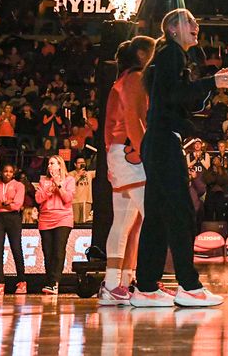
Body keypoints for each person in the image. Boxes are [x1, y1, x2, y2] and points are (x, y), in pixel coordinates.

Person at [131, 9, 228, 309]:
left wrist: (206, 88)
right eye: (190, 22)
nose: (196, 26)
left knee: (157, 218)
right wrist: (209, 83)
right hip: (163, 142)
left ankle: (147, 287)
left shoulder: (166, 55)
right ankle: (189, 286)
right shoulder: (172, 54)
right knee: (180, 214)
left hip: (158, 140)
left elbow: (174, 98)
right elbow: (177, 95)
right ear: (173, 28)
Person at [99, 36, 155, 306]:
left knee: (123, 224)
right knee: (153, 216)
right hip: (130, 151)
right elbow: (134, 120)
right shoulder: (135, 79)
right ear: (143, 55)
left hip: (117, 152)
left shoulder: (120, 81)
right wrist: (147, 153)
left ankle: (116, 284)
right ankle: (147, 285)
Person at [35, 155, 75, 295]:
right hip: (45, 219)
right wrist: (49, 189)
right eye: (48, 163)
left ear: (60, 165)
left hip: (63, 218)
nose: (49, 166)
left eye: (52, 163)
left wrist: (58, 185)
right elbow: (38, 199)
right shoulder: (43, 180)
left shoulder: (69, 180)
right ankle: (49, 281)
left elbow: (68, 199)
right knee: (48, 252)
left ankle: (54, 282)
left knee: (58, 250)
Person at [0, 163, 26, 295]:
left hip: (13, 219)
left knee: (16, 249)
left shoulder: (19, 186)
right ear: (2, 172)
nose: (7, 173)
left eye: (10, 171)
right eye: (5, 171)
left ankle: (22, 282)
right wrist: (4, 203)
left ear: (13, 174)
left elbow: (16, 205)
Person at [71, 158, 94, 224]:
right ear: (75, 164)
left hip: (86, 201)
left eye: (83, 162)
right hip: (75, 201)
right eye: (79, 162)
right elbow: (70, 184)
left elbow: (101, 171)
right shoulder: (71, 174)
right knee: (75, 222)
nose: (82, 164)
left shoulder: (89, 174)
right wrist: (78, 175)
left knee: (84, 222)